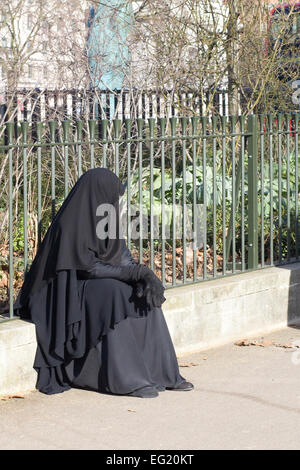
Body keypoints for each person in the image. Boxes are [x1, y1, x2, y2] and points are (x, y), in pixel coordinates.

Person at [14, 168, 194, 398]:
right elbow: (88, 267)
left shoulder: (105, 218)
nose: (114, 203)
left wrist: (142, 275)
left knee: (144, 294)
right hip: (67, 289)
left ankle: (165, 374)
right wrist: (131, 273)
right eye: (111, 196)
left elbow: (119, 255)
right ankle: (128, 379)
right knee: (115, 294)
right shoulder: (70, 224)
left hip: (94, 281)